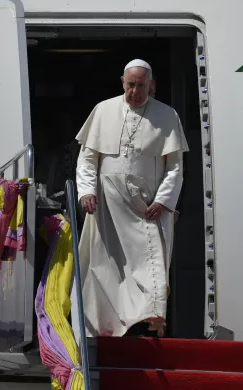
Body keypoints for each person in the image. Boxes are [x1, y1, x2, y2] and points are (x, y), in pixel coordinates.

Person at [74, 59, 189, 338]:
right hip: (107, 205)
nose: (134, 91)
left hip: (146, 206)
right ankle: (101, 326)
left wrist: (163, 200)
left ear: (152, 86)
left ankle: (149, 317)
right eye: (130, 85)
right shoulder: (103, 110)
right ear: (122, 82)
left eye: (141, 86)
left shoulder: (167, 115)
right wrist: (86, 191)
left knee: (148, 262)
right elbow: (88, 159)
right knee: (104, 264)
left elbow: (174, 166)